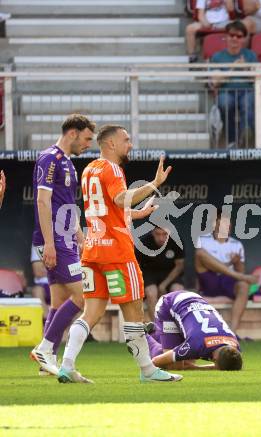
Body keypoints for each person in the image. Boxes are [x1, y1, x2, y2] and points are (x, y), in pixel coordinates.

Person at [57, 125, 182, 383]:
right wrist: (154, 184)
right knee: (134, 313)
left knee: (90, 313)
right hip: (117, 253)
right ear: (111, 144)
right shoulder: (113, 169)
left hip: (93, 251)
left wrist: (139, 214)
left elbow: (107, 209)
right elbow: (120, 199)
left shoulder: (90, 169)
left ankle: (67, 365)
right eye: (126, 140)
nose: (130, 144)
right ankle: (148, 370)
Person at [30, 114, 95, 376]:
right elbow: (42, 202)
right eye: (87, 138)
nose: (89, 144)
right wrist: (49, 243)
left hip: (66, 238)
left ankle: (47, 361)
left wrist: (79, 234)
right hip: (54, 239)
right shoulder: (50, 158)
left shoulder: (68, 162)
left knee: (59, 300)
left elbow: (68, 203)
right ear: (72, 133)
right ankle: (44, 349)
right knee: (83, 296)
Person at [195, 211, 257, 335]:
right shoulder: (203, 239)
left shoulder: (237, 244)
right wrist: (229, 265)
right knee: (200, 253)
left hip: (228, 280)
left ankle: (232, 333)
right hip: (209, 279)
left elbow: (241, 272)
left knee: (244, 285)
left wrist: (237, 262)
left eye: (228, 224)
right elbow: (206, 265)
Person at [146, 290, 242, 371]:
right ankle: (145, 335)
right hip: (169, 304)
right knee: (174, 366)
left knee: (185, 360)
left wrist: (195, 367)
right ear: (215, 359)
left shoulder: (234, 345)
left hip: (195, 300)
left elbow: (229, 363)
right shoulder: (195, 345)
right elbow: (155, 361)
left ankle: (156, 332)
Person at [211, 20, 258, 148]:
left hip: (247, 90)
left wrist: (245, 68)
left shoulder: (251, 55)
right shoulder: (217, 57)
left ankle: (244, 139)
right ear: (226, 37)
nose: (234, 38)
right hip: (226, 91)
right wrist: (233, 68)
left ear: (243, 39)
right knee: (225, 104)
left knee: (247, 104)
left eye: (239, 36)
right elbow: (215, 82)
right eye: (231, 35)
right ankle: (232, 140)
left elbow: (257, 78)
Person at [135, 226, 185, 321]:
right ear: (152, 232)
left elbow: (179, 265)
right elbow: (136, 265)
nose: (161, 238)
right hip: (150, 272)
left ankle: (177, 325)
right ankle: (157, 327)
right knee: (151, 293)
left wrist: (163, 285)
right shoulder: (144, 242)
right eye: (158, 234)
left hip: (170, 272)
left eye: (164, 234)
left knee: (178, 291)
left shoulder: (177, 240)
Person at [31, 245, 50, 319]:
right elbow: (38, 271)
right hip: (44, 286)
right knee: (37, 291)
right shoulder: (38, 239)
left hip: (63, 284)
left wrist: (44, 264)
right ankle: (49, 322)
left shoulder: (68, 237)